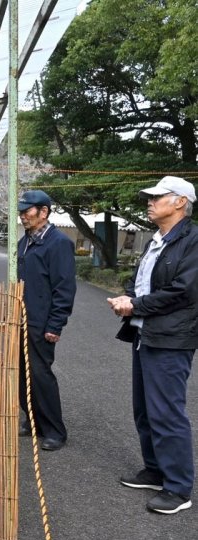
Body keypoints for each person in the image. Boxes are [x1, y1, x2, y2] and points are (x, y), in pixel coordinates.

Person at [108, 176, 198, 515]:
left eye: (158, 196)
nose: (150, 201)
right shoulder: (157, 240)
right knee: (144, 408)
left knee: (167, 411)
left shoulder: (192, 240)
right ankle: (155, 469)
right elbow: (141, 279)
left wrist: (136, 305)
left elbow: (183, 291)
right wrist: (128, 296)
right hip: (146, 333)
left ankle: (177, 488)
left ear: (180, 202)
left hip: (172, 337)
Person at [17, 190, 77, 451]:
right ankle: (34, 421)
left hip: (41, 321)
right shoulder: (26, 241)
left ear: (44, 212)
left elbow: (64, 287)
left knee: (40, 374)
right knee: (23, 373)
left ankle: (55, 430)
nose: (23, 215)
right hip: (21, 317)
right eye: (21, 211)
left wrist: (56, 323)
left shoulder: (58, 242)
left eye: (28, 210)